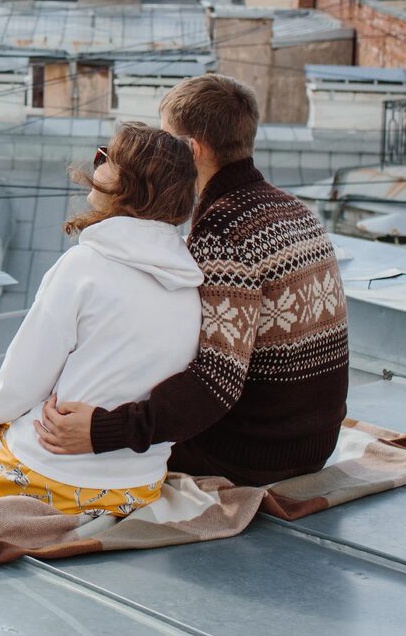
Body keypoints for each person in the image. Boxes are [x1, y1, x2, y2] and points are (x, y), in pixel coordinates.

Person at [35, 74, 350, 486]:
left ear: (192, 150)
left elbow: (216, 380)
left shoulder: (223, 233)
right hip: (312, 442)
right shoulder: (292, 208)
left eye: (166, 138)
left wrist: (101, 431)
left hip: (252, 455)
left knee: (62, 453)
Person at [0, 123, 202, 516]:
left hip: (57, 475)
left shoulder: (83, 266)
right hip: (138, 486)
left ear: (130, 184)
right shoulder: (188, 281)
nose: (97, 163)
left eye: (107, 157)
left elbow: (22, 382)